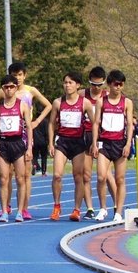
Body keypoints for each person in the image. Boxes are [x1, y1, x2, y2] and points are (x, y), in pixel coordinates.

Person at [0, 62, 51, 221]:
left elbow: (47, 105)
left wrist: (36, 122)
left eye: (20, 75)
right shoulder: (4, 91)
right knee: (6, 176)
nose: (17, 78)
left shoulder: (30, 91)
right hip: (7, 136)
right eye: (15, 75)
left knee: (25, 175)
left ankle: (24, 209)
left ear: (24, 75)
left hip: (24, 136)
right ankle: (6, 207)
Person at [48, 71, 95, 221]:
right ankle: (56, 206)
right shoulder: (57, 102)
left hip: (78, 143)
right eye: (65, 82)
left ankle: (76, 210)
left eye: (70, 83)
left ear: (78, 85)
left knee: (78, 177)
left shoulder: (85, 103)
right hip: (62, 142)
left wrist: (94, 142)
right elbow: (51, 124)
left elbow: (95, 124)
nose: (67, 85)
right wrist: (50, 143)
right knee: (57, 175)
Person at [92, 70, 133, 222]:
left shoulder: (127, 102)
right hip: (104, 143)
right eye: (116, 84)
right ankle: (103, 208)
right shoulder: (101, 101)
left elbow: (129, 125)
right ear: (109, 84)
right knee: (101, 177)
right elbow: (96, 123)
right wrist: (95, 143)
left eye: (121, 84)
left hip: (120, 144)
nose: (118, 87)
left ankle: (118, 211)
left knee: (120, 179)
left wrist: (128, 144)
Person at [0, 75, 33, 222]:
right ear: (2, 89)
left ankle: (20, 211)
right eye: (6, 87)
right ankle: (4, 211)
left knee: (20, 179)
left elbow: (29, 127)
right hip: (3, 144)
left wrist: (29, 148)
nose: (9, 90)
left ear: (16, 87)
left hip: (18, 144)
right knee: (3, 179)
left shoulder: (22, 105)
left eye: (11, 87)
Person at [80, 67, 115, 221]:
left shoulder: (107, 97)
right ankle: (90, 208)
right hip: (85, 135)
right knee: (86, 175)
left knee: (106, 175)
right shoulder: (82, 94)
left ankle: (116, 207)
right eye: (93, 84)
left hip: (103, 137)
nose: (96, 88)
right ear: (89, 82)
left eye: (99, 85)